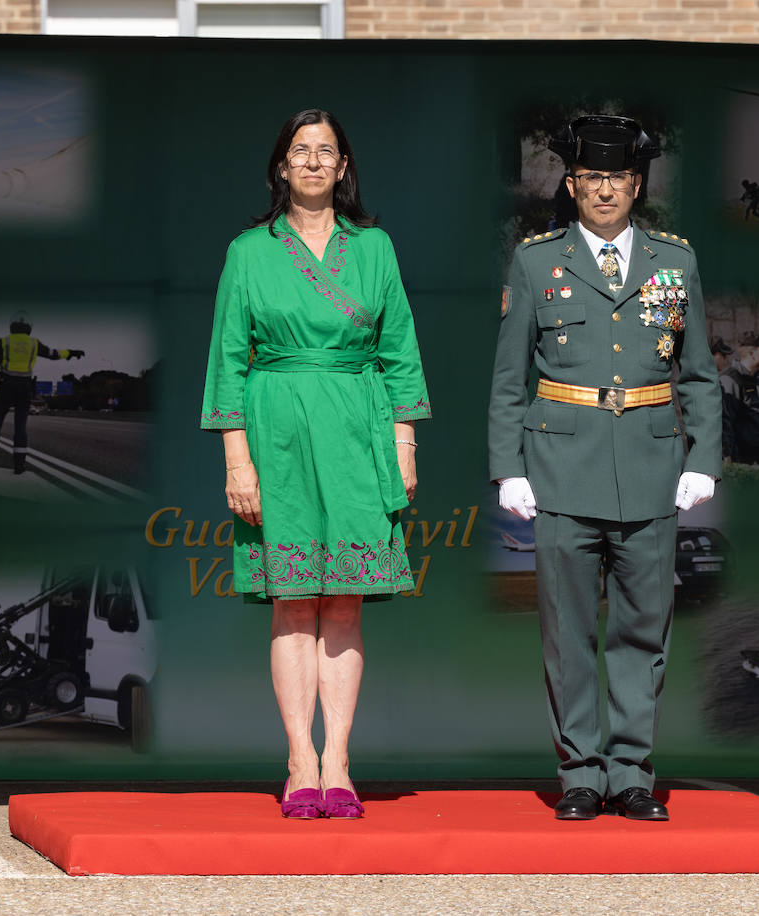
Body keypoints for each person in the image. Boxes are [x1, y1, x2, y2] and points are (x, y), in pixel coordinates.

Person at [488, 115, 721, 821]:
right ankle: (581, 775)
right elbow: (509, 378)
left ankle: (631, 774)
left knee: (643, 632)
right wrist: (509, 468)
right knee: (568, 633)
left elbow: (699, 374)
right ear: (572, 184)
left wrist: (703, 459)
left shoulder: (675, 262)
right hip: (560, 467)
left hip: (650, 466)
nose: (605, 190)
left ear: (637, 184)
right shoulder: (536, 262)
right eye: (591, 177)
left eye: (618, 177)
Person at [200, 109, 430, 820]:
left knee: (346, 601)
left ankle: (340, 763)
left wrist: (404, 445)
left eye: (325, 151)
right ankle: (301, 760)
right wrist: (237, 461)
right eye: (299, 150)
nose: (312, 161)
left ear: (343, 166)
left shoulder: (375, 247)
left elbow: (399, 351)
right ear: (281, 165)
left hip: (359, 429)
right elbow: (227, 360)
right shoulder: (249, 251)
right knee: (294, 601)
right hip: (275, 433)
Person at [0, 312, 84, 475]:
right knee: (20, 427)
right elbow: (53, 354)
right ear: (29, 328)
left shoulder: (3, 341)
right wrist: (70, 352)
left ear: (12, 326)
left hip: (6, 387)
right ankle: (19, 466)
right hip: (25, 388)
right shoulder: (34, 343)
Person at [721, 330, 759, 464]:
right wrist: (728, 456)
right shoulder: (730, 379)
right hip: (741, 460)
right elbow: (726, 423)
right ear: (751, 353)